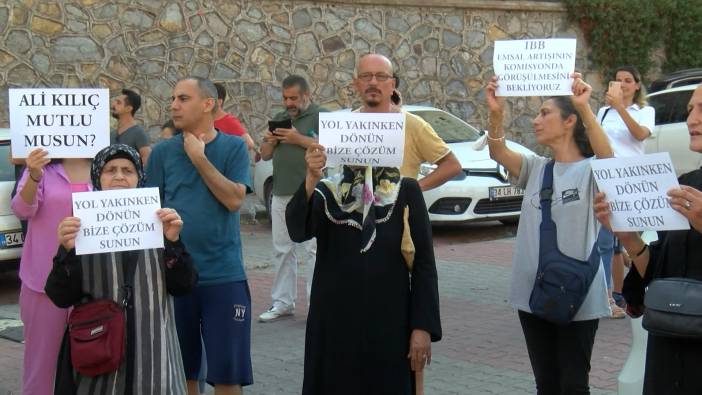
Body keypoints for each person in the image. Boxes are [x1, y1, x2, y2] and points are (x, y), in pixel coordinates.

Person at [485, 73, 613, 394]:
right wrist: (496, 114)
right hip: (533, 295)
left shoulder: (592, 170)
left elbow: (610, 162)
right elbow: (498, 153)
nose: (536, 120)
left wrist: (586, 108)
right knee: (547, 384)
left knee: (572, 384)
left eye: (545, 113)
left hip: (578, 296)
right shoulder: (537, 168)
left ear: (570, 121)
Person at [288, 141, 441, 395]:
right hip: (334, 328)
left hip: (391, 328)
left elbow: (424, 263)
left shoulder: (405, 191)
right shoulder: (328, 192)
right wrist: (310, 179)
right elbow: (297, 230)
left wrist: (422, 326)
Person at [44, 144, 196, 394]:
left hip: (155, 364)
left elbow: (184, 285)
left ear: (139, 178)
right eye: (109, 170)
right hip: (99, 365)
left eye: (128, 170)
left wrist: (173, 242)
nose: (119, 176)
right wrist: (66, 252)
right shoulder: (81, 227)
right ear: (97, 177)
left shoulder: (158, 223)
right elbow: (60, 296)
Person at [146, 77, 253, 395]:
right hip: (175, 279)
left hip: (224, 276)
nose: (173, 105)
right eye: (172, 98)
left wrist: (199, 158)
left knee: (227, 375)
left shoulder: (234, 147)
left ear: (209, 104)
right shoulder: (162, 153)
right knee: (184, 372)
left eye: (183, 98)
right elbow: (148, 211)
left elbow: (234, 200)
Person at [593, 84, 702, 394]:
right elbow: (656, 272)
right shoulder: (688, 185)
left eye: (701, 109)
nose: (691, 119)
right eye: (690, 109)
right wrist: (627, 237)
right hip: (670, 349)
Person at [10, 150, 92, 394]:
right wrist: (34, 175)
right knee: (41, 366)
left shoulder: (106, 165)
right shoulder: (42, 167)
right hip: (44, 282)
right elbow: (22, 210)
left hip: (95, 283)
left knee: (96, 358)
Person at [258, 75, 328, 322]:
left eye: (293, 98)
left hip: (312, 194)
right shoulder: (279, 119)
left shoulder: (322, 116)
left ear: (307, 95)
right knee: (282, 249)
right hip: (281, 193)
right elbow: (264, 155)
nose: (289, 103)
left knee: (314, 251)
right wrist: (271, 141)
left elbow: (332, 148)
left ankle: (317, 305)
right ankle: (282, 302)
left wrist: (299, 139)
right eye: (285, 98)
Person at [594, 65, 655, 318]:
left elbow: (640, 134)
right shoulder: (603, 112)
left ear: (637, 85)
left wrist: (620, 107)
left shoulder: (644, 111)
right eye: (617, 80)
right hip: (606, 176)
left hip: (631, 180)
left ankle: (622, 293)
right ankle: (610, 296)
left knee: (626, 241)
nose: (622, 84)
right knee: (607, 242)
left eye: (627, 80)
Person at [353, 54, 462, 191]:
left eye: (381, 76)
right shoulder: (343, 127)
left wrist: (411, 191)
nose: (373, 82)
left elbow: (452, 165)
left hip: (398, 212)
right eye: (366, 76)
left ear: (392, 84)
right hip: (349, 211)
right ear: (356, 84)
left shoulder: (413, 125)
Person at [110, 89, 151, 165]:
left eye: (118, 103)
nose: (113, 105)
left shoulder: (138, 133)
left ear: (128, 108)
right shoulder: (112, 134)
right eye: (115, 101)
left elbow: (147, 159)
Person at [213, 82, 255, 150]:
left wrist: (226, 154)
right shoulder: (202, 119)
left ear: (219, 102)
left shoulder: (229, 121)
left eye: (208, 99)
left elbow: (249, 144)